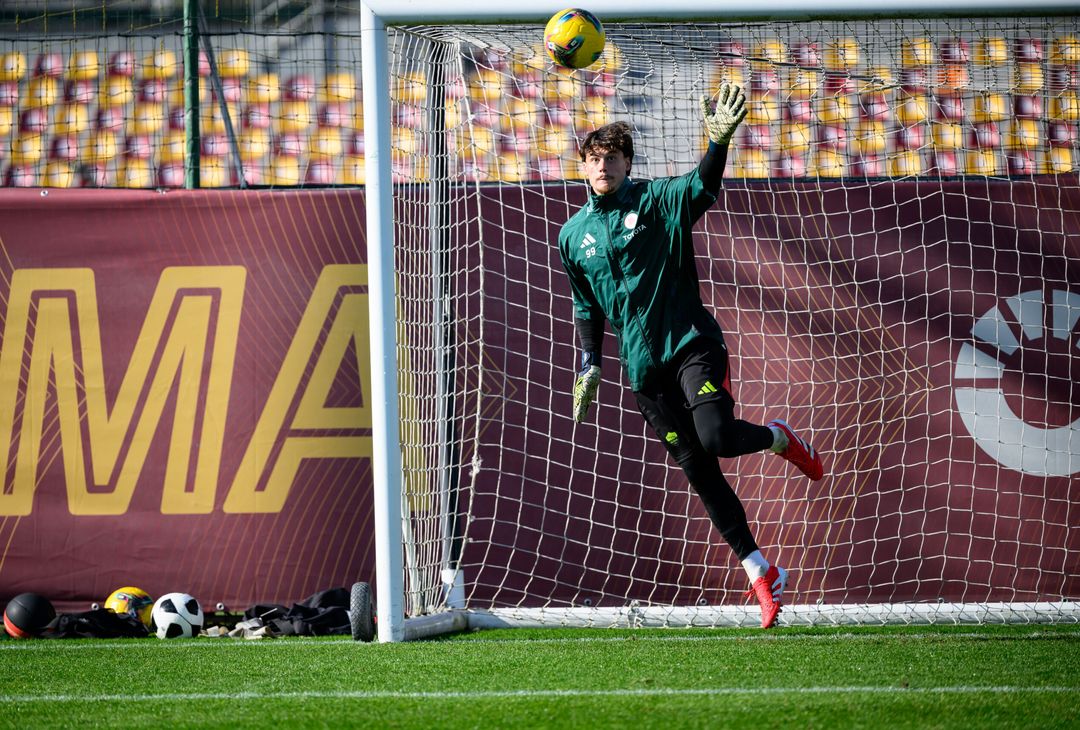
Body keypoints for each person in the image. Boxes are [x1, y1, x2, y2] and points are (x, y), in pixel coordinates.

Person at [556, 83, 825, 629]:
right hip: (643, 373)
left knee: (719, 440)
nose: (602, 165)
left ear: (628, 162)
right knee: (700, 474)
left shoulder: (656, 201)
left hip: (690, 345)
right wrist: (590, 362)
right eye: (593, 158)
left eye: (612, 156)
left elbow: (702, 186)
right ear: (582, 167)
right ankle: (761, 575)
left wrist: (717, 143)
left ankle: (777, 437)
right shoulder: (572, 235)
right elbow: (587, 305)